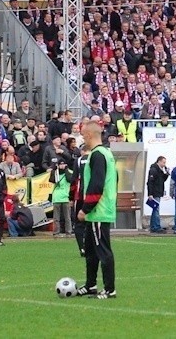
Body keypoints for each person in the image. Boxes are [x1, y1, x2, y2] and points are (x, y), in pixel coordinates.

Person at [76, 121, 118, 299]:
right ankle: (91, 284)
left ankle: (110, 289)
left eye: (84, 135)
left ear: (91, 135)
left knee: (103, 251)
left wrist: (85, 209)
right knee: (91, 251)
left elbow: (97, 185)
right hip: (99, 210)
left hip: (98, 211)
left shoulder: (97, 155)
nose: (82, 138)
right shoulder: (105, 153)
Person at [50, 159, 74, 236]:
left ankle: (68, 232)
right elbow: (52, 180)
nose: (62, 166)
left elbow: (70, 179)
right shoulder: (55, 173)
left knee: (67, 217)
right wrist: (54, 169)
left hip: (65, 197)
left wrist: (66, 170)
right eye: (60, 164)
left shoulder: (69, 172)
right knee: (56, 217)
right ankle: (56, 232)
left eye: (63, 164)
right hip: (56, 197)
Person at [146, 155, 169, 233]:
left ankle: (153, 226)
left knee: (155, 209)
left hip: (158, 192)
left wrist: (166, 174)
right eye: (163, 162)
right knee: (156, 210)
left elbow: (162, 180)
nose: (164, 164)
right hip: (155, 192)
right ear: (159, 161)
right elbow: (150, 182)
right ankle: (156, 226)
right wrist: (150, 194)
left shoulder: (159, 170)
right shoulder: (154, 170)